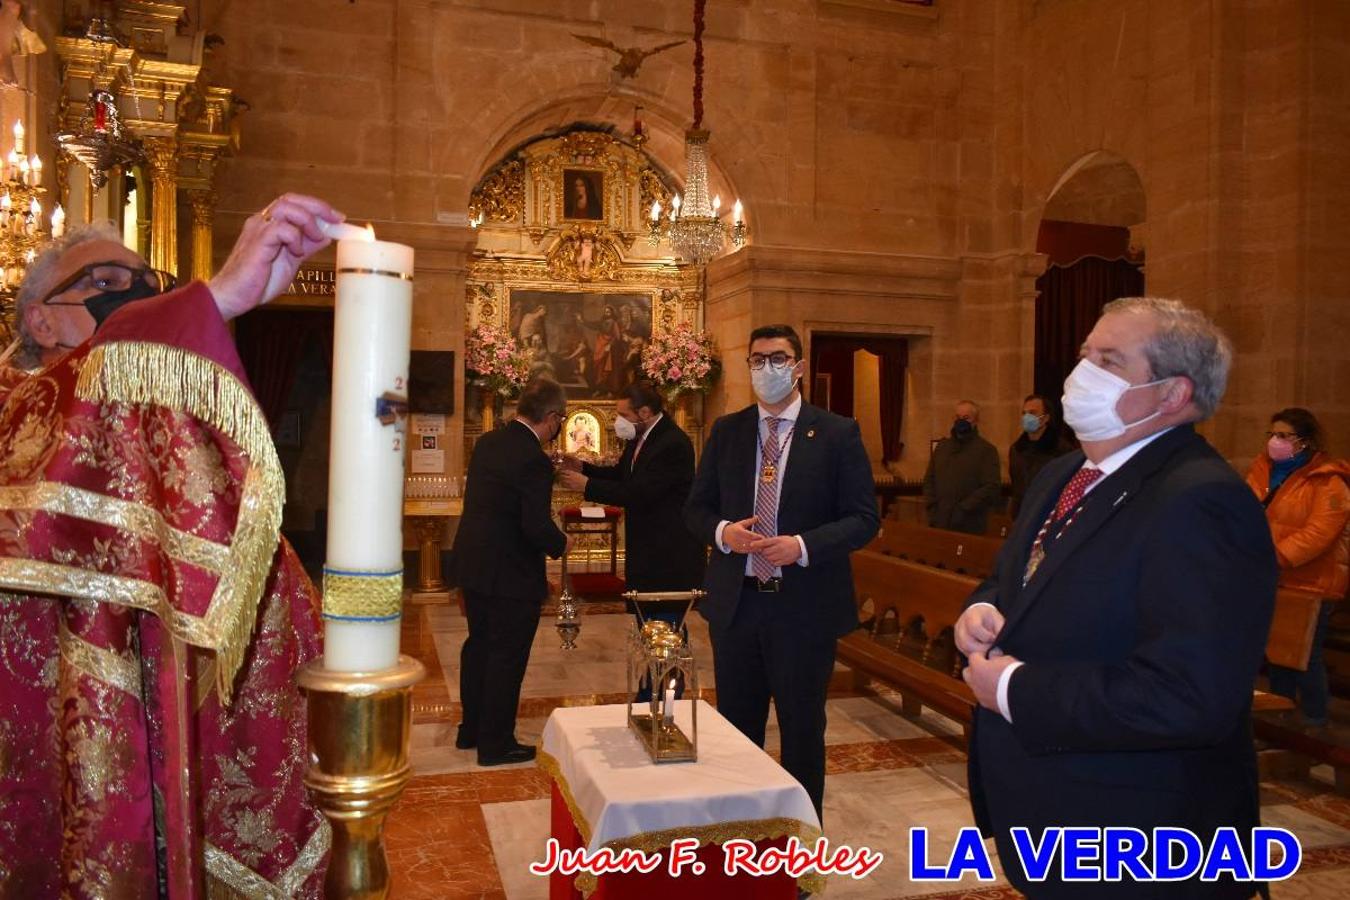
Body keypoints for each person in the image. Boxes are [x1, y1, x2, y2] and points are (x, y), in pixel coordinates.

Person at [0, 193, 343, 897]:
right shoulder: (18, 407)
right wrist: (209, 301)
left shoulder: (169, 429)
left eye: (149, 284)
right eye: (106, 285)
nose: (138, 298)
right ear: (39, 319)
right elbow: (73, 421)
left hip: (187, 729)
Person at [956, 297, 1278, 898]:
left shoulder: (1201, 501)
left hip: (1140, 833)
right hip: (1052, 805)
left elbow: (1188, 696)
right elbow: (1019, 577)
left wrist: (1010, 689)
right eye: (1085, 355)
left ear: (1172, 394)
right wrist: (983, 607)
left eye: (1109, 360)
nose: (1082, 374)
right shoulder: (1064, 473)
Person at [685, 324, 878, 820]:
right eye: (757, 359)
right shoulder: (728, 432)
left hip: (804, 609)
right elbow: (696, 509)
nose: (766, 368)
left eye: (777, 358)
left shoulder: (837, 433)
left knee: (801, 733)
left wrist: (803, 545)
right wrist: (724, 532)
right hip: (738, 606)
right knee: (736, 732)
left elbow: (863, 519)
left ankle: (799, 852)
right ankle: (741, 841)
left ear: (797, 366)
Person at [559, 381, 705, 697]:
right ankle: (648, 694)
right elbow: (623, 476)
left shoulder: (672, 444)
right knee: (647, 629)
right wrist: (583, 467)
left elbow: (639, 493)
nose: (618, 421)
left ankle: (666, 701)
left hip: (669, 558)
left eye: (623, 414)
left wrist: (586, 485)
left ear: (645, 412)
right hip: (649, 554)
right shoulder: (641, 439)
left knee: (666, 631)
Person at [452, 377, 571, 766]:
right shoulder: (533, 459)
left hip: (474, 565)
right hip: (511, 574)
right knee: (506, 657)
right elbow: (534, 524)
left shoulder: (489, 442)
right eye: (561, 421)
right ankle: (497, 743)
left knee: (478, 648)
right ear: (551, 418)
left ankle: (470, 730)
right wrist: (561, 544)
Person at [1243, 407, 1350, 727]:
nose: (1275, 441)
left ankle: (1316, 724)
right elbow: (1247, 511)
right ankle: (1279, 720)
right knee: (1277, 655)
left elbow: (1319, 533)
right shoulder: (1263, 470)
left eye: (1284, 435)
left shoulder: (1328, 481)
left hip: (1310, 582)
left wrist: (1276, 556)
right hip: (1271, 578)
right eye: (1272, 434)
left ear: (1305, 441)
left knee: (1305, 658)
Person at [923, 400, 1001, 534]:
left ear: (975, 421)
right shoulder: (942, 447)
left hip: (970, 522)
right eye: (958, 417)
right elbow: (930, 479)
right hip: (940, 520)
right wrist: (932, 506)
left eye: (966, 418)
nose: (961, 421)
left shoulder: (987, 450)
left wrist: (964, 508)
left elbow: (991, 486)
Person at [1007, 393, 1077, 519]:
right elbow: (1016, 488)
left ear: (1045, 418)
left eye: (1032, 413)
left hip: (1049, 516)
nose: (1027, 417)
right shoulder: (1017, 449)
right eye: (1024, 413)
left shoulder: (1062, 450)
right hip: (1022, 516)